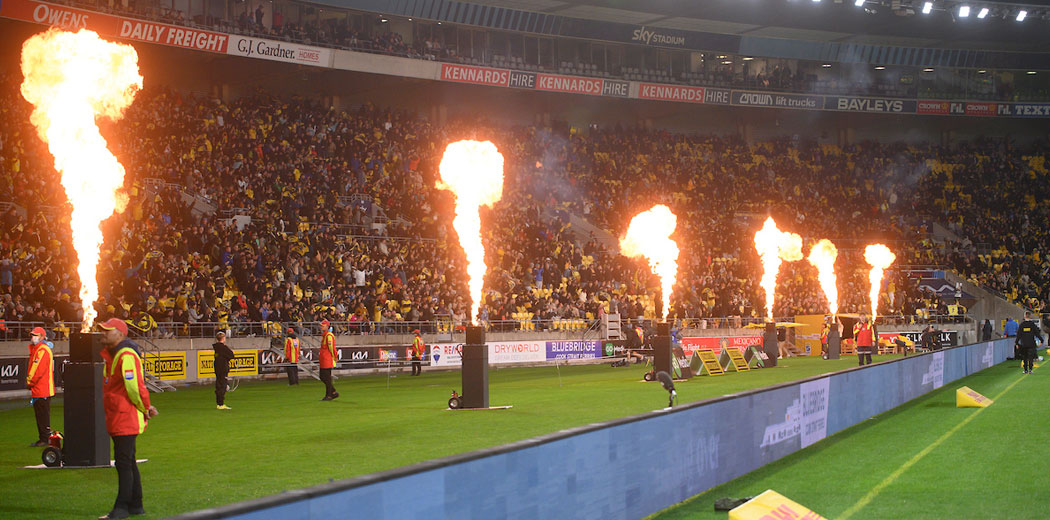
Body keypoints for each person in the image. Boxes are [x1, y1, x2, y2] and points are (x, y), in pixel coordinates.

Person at [97, 318, 158, 520]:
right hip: (121, 416)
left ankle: (121, 507)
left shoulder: (125, 355)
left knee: (124, 463)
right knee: (128, 461)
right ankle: (136, 505)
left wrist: (145, 407)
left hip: (124, 417)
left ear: (121, 334)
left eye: (108, 330)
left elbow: (135, 387)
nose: (103, 333)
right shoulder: (118, 354)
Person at [26, 326, 54, 447]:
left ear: (42, 337)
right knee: (41, 415)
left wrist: (29, 382)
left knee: (42, 415)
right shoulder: (39, 349)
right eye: (32, 335)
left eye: (35, 335)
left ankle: (44, 438)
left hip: (42, 389)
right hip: (41, 388)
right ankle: (44, 437)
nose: (33, 337)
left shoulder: (42, 350)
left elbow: (37, 370)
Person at [212, 331, 234, 410]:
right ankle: (221, 403)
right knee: (222, 386)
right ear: (223, 338)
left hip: (217, 368)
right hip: (223, 368)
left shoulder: (216, 348)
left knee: (219, 385)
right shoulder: (223, 348)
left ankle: (219, 403)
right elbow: (231, 355)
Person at [319, 320, 338, 400]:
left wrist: (334, 357)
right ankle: (332, 392)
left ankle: (329, 395)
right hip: (324, 359)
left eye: (323, 325)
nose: (321, 327)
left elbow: (331, 347)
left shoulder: (328, 336)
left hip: (327, 359)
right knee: (324, 377)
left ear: (327, 326)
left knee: (326, 377)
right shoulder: (325, 336)